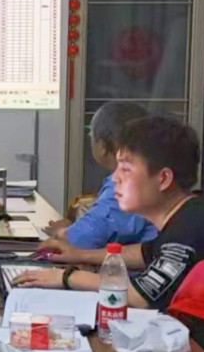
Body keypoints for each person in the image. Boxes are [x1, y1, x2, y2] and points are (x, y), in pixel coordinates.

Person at [16, 115, 204, 309]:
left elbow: (140, 296)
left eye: (126, 169)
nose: (115, 178)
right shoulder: (190, 211)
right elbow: (145, 253)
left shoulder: (190, 229)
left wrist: (65, 277)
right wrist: (78, 254)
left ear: (163, 179)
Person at [40, 104, 157, 252]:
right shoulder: (148, 173)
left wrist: (62, 232)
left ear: (102, 146)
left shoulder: (128, 182)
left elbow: (83, 239)